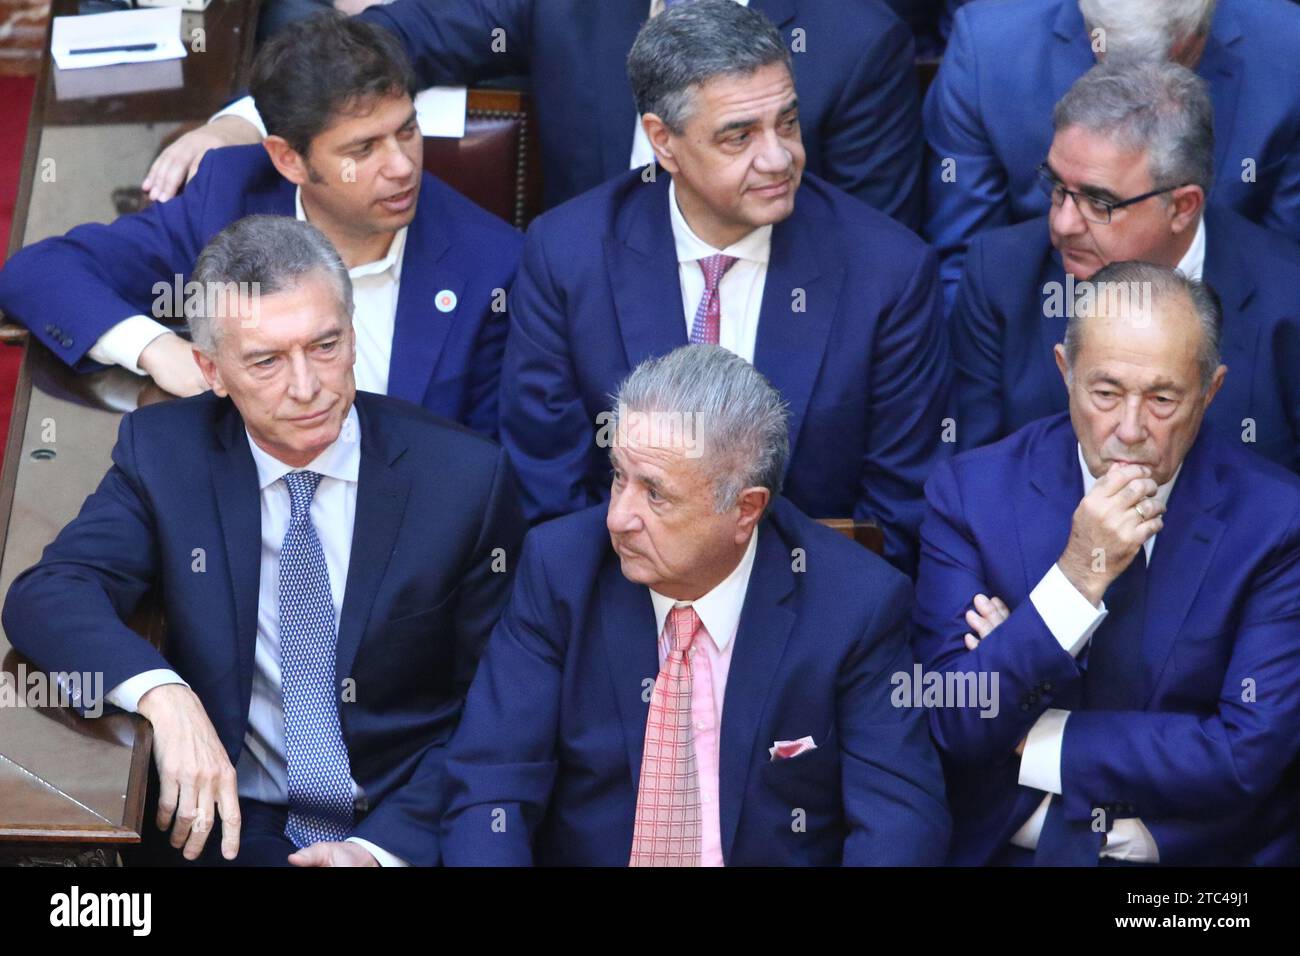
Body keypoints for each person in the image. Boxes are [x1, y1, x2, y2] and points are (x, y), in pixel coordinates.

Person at [2, 216, 525, 866]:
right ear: (210, 370)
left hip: (402, 821)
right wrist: (164, 695)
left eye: (325, 346)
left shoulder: (465, 480)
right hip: (225, 823)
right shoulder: (169, 456)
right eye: (266, 361)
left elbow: (501, 707)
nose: (306, 387)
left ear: (354, 336)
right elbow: (49, 595)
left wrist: (379, 850)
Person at [442, 345, 951, 865]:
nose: (619, 517)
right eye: (620, 476)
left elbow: (900, 823)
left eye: (655, 494)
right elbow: (490, 787)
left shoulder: (854, 603)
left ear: (745, 509)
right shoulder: (562, 572)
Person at [500, 0, 950, 574]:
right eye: (739, 137)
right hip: (617, 605)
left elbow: (895, 516)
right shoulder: (567, 256)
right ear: (663, 143)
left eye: (787, 123)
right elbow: (549, 497)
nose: (778, 158)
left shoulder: (888, 273)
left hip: (811, 615)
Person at [914, 262, 1300, 865]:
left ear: (1211, 391)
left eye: (1163, 398)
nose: (1129, 429)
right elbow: (956, 719)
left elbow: (1245, 751)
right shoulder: (971, 495)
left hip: (1196, 868)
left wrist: (1036, 734)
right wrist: (1075, 578)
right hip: (1009, 851)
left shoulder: (1276, 522)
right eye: (1105, 392)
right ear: (1066, 373)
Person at [0, 13, 520, 438]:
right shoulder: (228, 198)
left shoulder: (494, 264)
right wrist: (158, 350)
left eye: (407, 132)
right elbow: (38, 272)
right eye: (363, 149)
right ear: (288, 160)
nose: (403, 166)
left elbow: (486, 468)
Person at [143, 0, 926, 229]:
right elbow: (395, 34)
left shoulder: (858, 41)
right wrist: (246, 118)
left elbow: (870, 255)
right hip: (572, 319)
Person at [951, 60, 1300, 471]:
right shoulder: (1000, 276)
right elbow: (974, 482)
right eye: (1058, 188)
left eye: (1100, 203)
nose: (1063, 223)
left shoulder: (1287, 296)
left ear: (1182, 207)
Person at [923, 0, 1300, 310]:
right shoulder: (988, 54)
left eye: (1164, 65)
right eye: (1112, 62)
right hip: (1045, 333)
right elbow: (964, 268)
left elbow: (1283, 278)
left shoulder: (1287, 54)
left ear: (1200, 27)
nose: (1139, 102)